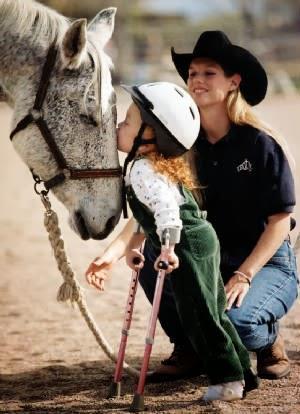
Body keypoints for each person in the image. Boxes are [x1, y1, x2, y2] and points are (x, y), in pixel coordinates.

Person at [86, 31, 298, 383]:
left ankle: (267, 338)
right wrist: (112, 253)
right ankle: (188, 346)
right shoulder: (181, 142)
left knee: (237, 325)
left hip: (264, 261)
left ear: (234, 82)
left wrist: (244, 275)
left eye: (208, 73)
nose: (197, 81)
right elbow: (157, 207)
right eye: (193, 74)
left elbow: (280, 221)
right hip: (209, 254)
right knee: (158, 250)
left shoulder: (260, 144)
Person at [87, 81, 258, 401]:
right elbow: (147, 214)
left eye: (126, 122)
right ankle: (243, 373)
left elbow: (167, 213)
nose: (117, 127)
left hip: (186, 245)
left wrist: (167, 248)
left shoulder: (143, 171)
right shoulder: (150, 165)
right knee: (212, 310)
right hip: (198, 240)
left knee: (198, 314)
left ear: (150, 135)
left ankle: (228, 381)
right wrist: (129, 248)